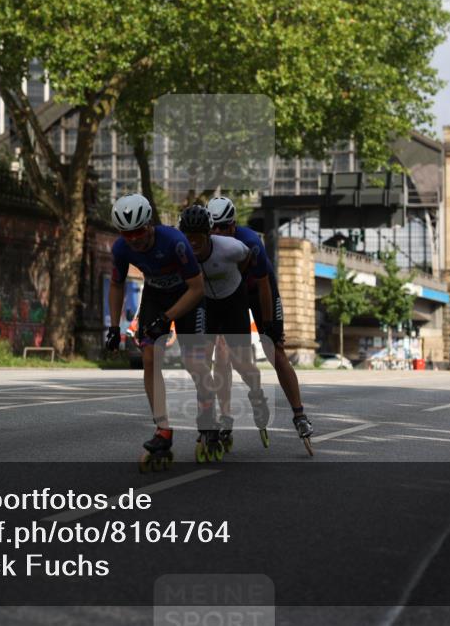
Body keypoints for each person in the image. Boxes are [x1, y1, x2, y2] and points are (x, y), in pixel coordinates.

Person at [104, 194, 213, 471]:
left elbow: (197, 288)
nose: (135, 239)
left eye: (139, 231)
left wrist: (168, 319)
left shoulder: (175, 242)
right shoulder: (121, 249)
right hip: (155, 296)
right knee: (150, 359)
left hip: (187, 297)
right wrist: (114, 328)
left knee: (194, 362)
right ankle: (163, 430)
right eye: (127, 234)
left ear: (149, 225)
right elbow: (116, 286)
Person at [206, 196, 315, 445]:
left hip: (258, 291)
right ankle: (226, 416)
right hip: (232, 294)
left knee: (274, 349)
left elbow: (264, 286)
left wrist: (267, 326)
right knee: (224, 353)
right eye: (214, 227)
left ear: (234, 225)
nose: (219, 232)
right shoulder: (206, 244)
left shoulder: (251, 242)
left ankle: (299, 414)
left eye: (225, 227)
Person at [178, 205, 266, 455]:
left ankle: (257, 392)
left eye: (199, 237)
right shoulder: (181, 251)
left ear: (209, 236)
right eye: (189, 237)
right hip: (206, 303)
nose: (193, 243)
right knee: (201, 359)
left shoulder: (230, 248)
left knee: (239, 363)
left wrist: (236, 275)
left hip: (233, 300)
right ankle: (209, 421)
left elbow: (248, 257)